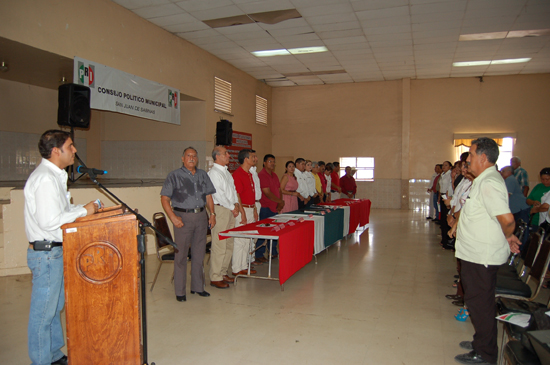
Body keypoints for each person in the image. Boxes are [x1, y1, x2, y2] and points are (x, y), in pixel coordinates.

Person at [24, 129, 99, 365]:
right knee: (43, 314)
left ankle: (54, 355)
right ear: (56, 151)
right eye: (70, 146)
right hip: (46, 254)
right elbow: (51, 221)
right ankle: (41, 361)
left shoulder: (54, 176)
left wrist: (82, 211)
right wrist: (85, 211)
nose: (75, 150)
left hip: (54, 252)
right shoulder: (45, 179)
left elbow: (62, 213)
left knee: (54, 308)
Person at [452, 137, 520, 365]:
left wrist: (509, 235)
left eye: (470, 155)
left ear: (483, 157)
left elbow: (507, 219)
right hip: (477, 254)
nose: (468, 159)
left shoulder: (489, 182)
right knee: (481, 302)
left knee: (479, 304)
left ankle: (485, 354)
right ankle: (482, 342)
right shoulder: (484, 180)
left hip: (481, 256)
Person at [161, 147, 216, 302]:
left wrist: (212, 214)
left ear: (197, 159)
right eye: (188, 156)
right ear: (183, 158)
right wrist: (173, 217)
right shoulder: (174, 176)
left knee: (199, 253)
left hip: (200, 217)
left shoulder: (203, 175)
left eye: (194, 156)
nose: (191, 158)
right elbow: (165, 199)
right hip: (182, 218)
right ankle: (180, 291)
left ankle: (198, 287)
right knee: (181, 255)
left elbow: (209, 196)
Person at [207, 146, 239, 289]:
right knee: (219, 245)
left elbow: (233, 191)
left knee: (228, 243)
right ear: (217, 156)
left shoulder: (226, 172)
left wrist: (236, 204)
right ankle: (215, 276)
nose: (228, 155)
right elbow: (219, 195)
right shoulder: (213, 173)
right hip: (220, 210)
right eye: (225, 153)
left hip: (230, 209)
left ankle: (223, 271)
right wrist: (233, 207)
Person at [232, 149, 259, 276]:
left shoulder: (249, 174)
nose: (255, 159)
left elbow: (251, 194)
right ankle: (236, 268)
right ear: (246, 159)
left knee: (247, 239)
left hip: (250, 208)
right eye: (253, 157)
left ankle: (244, 265)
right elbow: (237, 195)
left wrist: (254, 209)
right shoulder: (238, 174)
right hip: (243, 209)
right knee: (240, 240)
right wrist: (242, 212)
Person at [256, 154, 284, 261]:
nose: (272, 164)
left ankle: (273, 252)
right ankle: (259, 254)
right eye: (270, 162)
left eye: (273, 162)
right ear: (264, 163)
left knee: (275, 230)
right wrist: (279, 201)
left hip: (275, 207)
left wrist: (280, 202)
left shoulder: (275, 175)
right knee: (264, 231)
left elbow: (279, 190)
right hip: (265, 207)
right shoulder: (262, 175)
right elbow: (267, 193)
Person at [501, 166, 531, 247]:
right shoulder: (508, 180)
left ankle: (521, 249)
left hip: (520, 208)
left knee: (522, 230)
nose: (501, 172)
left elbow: (506, 196)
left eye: (503, 171)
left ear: (509, 172)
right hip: (516, 209)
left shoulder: (510, 179)